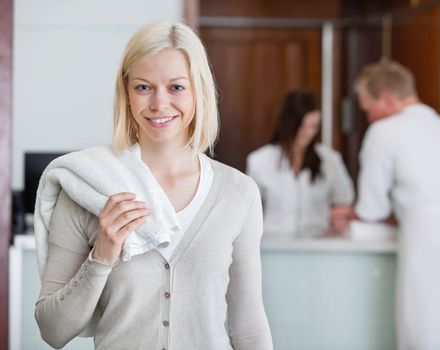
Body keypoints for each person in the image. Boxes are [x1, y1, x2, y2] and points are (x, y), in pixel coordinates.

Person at [34, 22, 273, 350]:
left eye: (176, 87)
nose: (160, 104)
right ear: (127, 93)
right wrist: (101, 256)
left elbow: (249, 324)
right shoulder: (87, 188)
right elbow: (52, 330)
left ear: (198, 91)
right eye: (144, 87)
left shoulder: (238, 193)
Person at [334, 60, 440, 349]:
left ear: (387, 99)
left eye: (368, 108)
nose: (368, 117)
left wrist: (349, 212)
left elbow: (371, 209)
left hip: (426, 248)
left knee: (421, 338)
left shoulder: (385, 132)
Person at [246, 90, 355, 237]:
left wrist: (339, 222)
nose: (307, 133)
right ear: (288, 124)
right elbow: (249, 212)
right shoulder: (260, 161)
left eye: (313, 126)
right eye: (302, 125)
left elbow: (344, 202)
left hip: (318, 246)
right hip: (273, 245)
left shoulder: (329, 160)